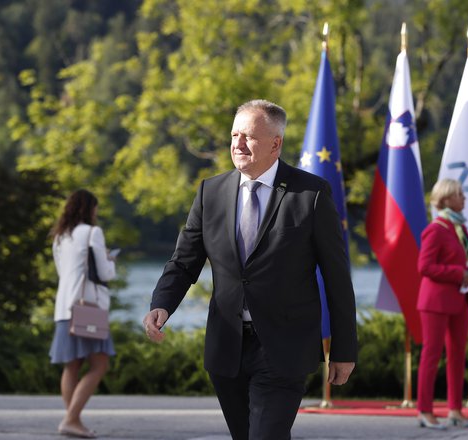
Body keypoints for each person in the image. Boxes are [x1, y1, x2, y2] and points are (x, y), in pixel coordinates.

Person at [143, 99, 358, 440]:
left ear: (276, 143)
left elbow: (336, 278)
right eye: (234, 134)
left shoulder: (311, 195)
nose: (238, 144)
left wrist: (344, 351)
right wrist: (162, 304)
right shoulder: (209, 192)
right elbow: (184, 261)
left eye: (249, 137)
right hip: (227, 347)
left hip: (284, 349)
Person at [49, 189, 117, 439]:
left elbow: (64, 273)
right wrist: (110, 261)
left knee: (72, 366)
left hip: (64, 307)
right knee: (99, 364)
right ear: (89, 209)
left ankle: (73, 420)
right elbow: (105, 273)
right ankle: (70, 420)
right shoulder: (92, 232)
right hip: (88, 308)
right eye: (95, 208)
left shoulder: (60, 237)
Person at [416, 178, 468, 430]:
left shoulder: (459, 227)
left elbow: (461, 258)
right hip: (436, 301)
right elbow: (425, 267)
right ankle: (424, 411)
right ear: (446, 199)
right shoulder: (436, 228)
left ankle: (455, 410)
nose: (464, 198)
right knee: (431, 356)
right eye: (460, 195)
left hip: (459, 300)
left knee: (457, 356)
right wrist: (458, 273)